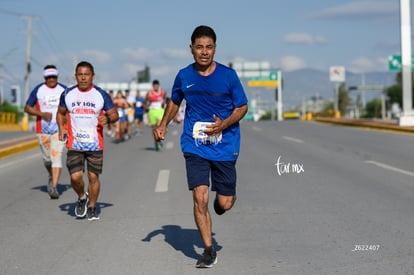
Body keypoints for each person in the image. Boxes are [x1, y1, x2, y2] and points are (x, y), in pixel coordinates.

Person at [153, 25, 248, 268]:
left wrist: (224, 124)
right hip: (194, 144)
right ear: (191, 49)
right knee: (199, 196)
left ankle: (221, 202)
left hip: (224, 144)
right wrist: (163, 123)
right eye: (199, 47)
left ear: (215, 49)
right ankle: (208, 249)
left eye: (209, 47)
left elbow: (242, 107)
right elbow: (175, 101)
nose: (204, 52)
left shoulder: (228, 76)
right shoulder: (184, 75)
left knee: (224, 203)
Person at [56, 61, 118, 221]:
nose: (83, 78)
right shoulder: (67, 94)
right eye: (80, 74)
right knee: (75, 177)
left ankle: (92, 206)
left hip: (95, 144)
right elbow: (60, 113)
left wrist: (108, 119)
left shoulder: (101, 95)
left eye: (86, 74)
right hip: (75, 144)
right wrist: (61, 127)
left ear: (93, 76)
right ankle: (82, 196)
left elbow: (114, 114)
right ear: (75, 76)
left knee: (93, 177)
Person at [24, 65, 67, 199]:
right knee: (47, 160)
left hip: (59, 130)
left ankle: (54, 187)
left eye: (53, 76)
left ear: (57, 76)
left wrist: (66, 121)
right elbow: (27, 108)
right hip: (42, 130)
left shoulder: (64, 90)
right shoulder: (39, 90)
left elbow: (72, 107)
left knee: (56, 157)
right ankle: (51, 175)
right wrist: (41, 114)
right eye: (49, 77)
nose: (51, 79)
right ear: (45, 78)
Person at [145, 79, 167, 151]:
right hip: (152, 111)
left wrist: (164, 104)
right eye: (154, 86)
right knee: (154, 129)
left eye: (157, 85)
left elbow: (165, 100)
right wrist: (146, 107)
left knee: (160, 125)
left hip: (160, 110)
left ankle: (160, 139)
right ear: (153, 86)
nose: (156, 87)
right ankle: (156, 142)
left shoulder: (162, 92)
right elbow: (145, 102)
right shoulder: (149, 93)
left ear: (158, 85)